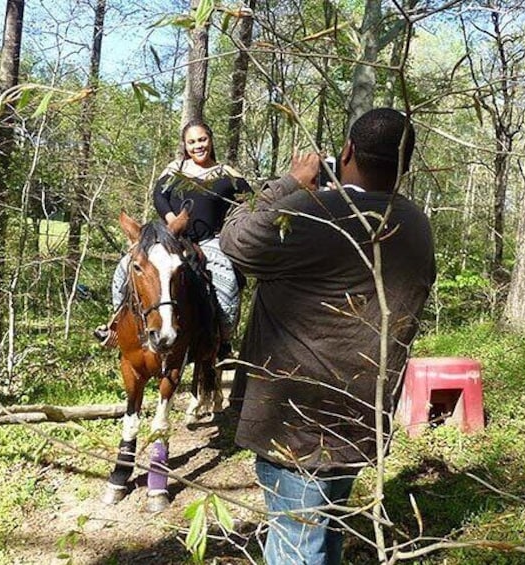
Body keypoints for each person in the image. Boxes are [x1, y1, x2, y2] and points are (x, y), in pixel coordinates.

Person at [220, 108, 436, 565]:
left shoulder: (317, 212)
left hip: (297, 424)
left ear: (348, 151)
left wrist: (291, 184)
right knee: (327, 533)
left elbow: (235, 240)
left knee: (298, 548)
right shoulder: (416, 224)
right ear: (406, 164)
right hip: (360, 417)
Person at [95, 121, 250, 355]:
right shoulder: (175, 169)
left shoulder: (226, 174)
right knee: (126, 266)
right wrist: (171, 220)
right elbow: (159, 195)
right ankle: (117, 324)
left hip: (208, 241)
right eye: (192, 142)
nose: (198, 146)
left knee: (226, 277)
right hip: (169, 238)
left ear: (210, 140)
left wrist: (234, 224)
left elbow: (249, 200)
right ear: (185, 145)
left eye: (202, 140)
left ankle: (223, 339)